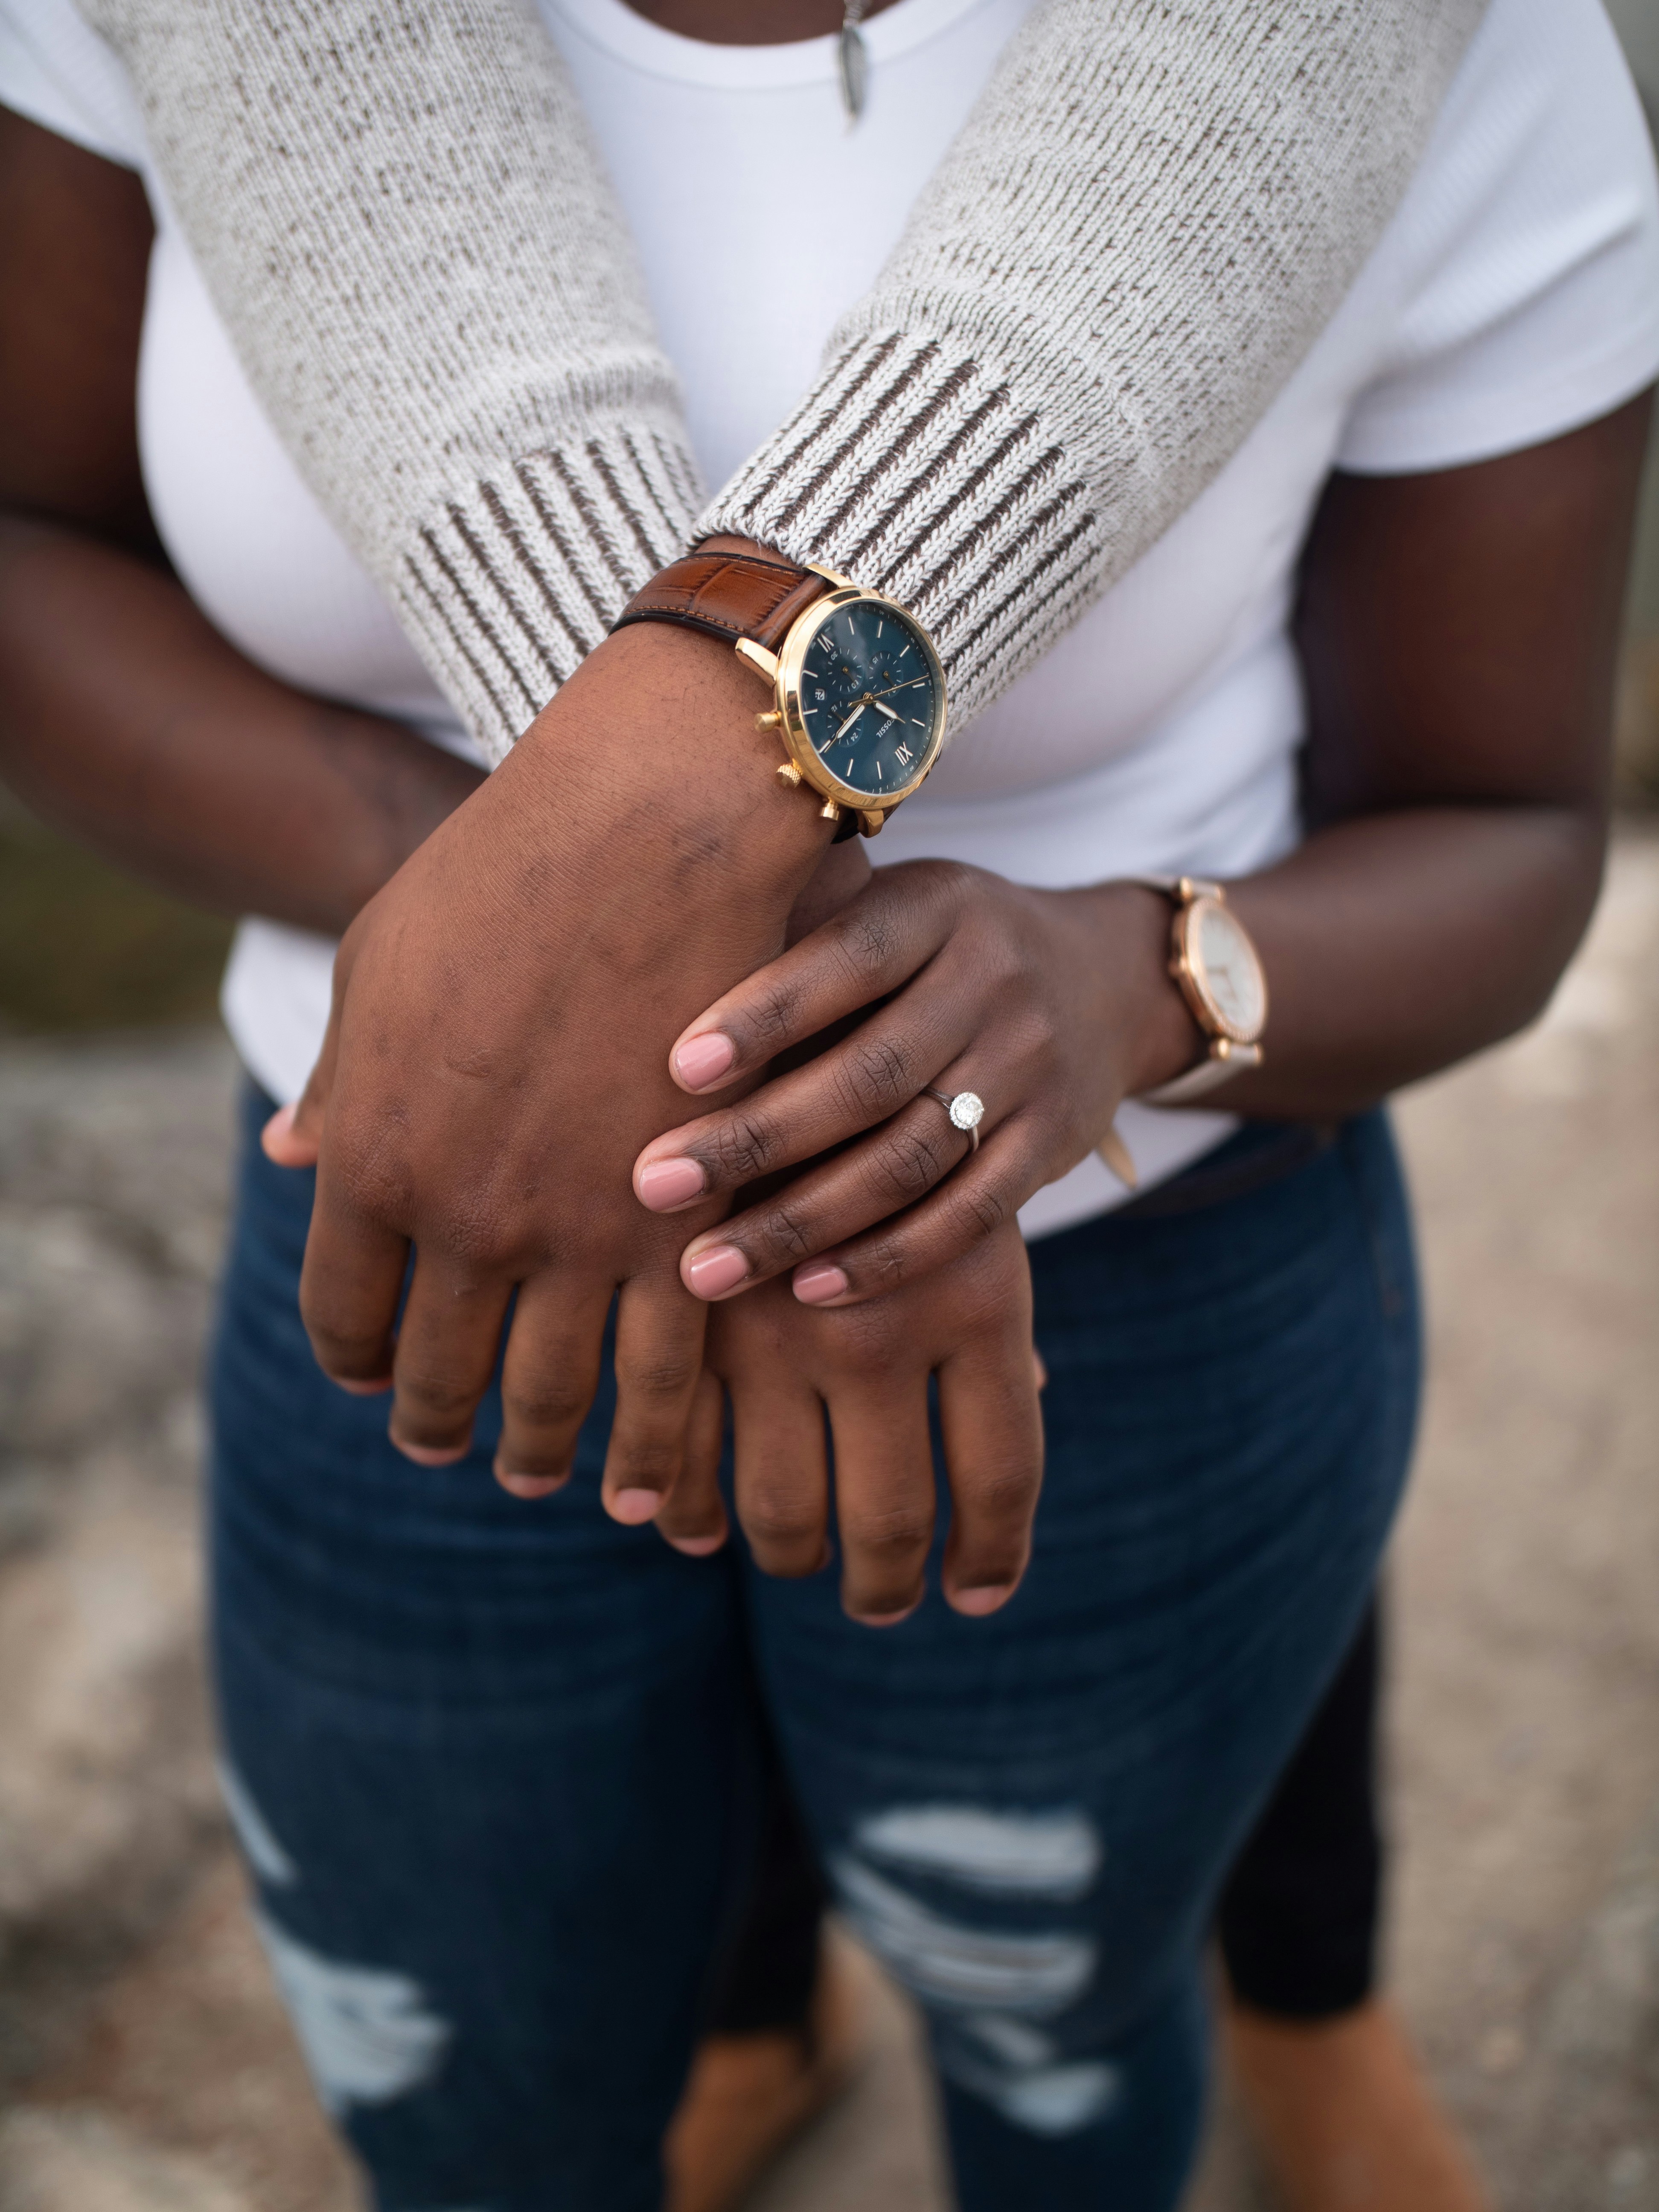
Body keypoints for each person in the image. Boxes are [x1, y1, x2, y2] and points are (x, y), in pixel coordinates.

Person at [1, 3, 1655, 2210]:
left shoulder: (1453, 56)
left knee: (1066, 2019)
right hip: (416, 1223)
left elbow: (1506, 825)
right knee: (461, 2055)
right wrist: (518, 916)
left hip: (1125, 1277)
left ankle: (1291, 2014)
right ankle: (764, 2023)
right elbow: (29, 548)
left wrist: (1125, 983)